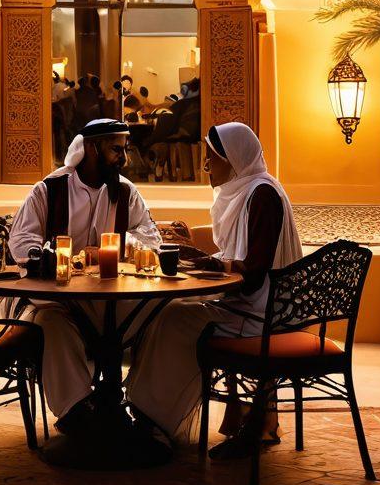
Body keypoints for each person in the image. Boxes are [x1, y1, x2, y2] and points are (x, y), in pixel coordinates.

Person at [126, 121, 302, 455]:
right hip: (249, 302)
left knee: (172, 320)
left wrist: (211, 264)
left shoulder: (262, 195)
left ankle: (155, 420)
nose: (205, 166)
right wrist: (204, 257)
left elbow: (255, 273)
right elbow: (242, 258)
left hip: (260, 313)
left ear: (233, 158)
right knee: (164, 312)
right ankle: (148, 412)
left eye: (212, 158)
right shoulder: (246, 191)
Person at [8, 119, 162, 432]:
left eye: (125, 150)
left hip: (113, 298)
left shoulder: (125, 192)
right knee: (49, 325)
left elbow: (150, 236)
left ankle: (144, 410)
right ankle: (76, 412)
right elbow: (22, 239)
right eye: (116, 150)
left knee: (164, 314)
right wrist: (43, 257)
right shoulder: (48, 190)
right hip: (57, 300)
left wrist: (120, 245)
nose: (124, 158)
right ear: (91, 148)